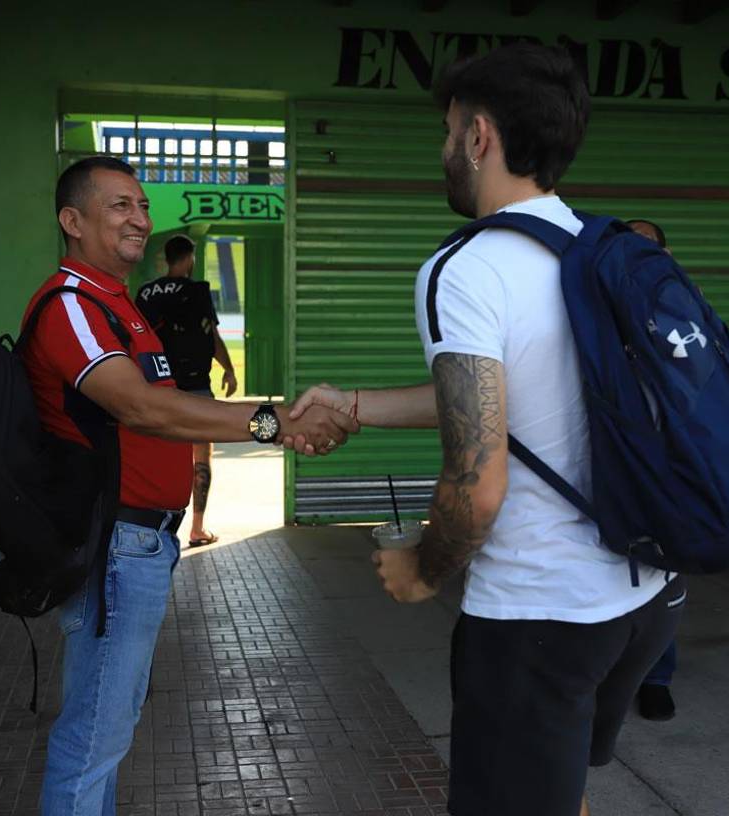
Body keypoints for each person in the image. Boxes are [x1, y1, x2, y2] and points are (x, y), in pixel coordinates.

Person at [288, 44, 684, 816]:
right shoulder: (598, 251)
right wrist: (354, 403)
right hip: (643, 600)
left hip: (540, 618)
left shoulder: (468, 267)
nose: (442, 151)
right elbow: (506, 396)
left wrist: (423, 571)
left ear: (478, 137)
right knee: (557, 789)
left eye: (446, 132)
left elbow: (477, 481)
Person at [24, 155, 358, 815]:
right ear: (72, 220)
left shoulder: (121, 305)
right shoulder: (74, 305)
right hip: (114, 546)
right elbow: (143, 408)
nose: (139, 219)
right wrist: (277, 423)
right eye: (119, 205)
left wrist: (273, 423)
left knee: (107, 731)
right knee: (94, 736)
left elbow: (167, 420)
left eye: (143, 206)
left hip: (141, 544)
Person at [136, 235, 236, 547]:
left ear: (167, 258)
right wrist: (229, 370)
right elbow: (212, 335)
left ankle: (156, 527)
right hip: (195, 389)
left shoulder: (146, 293)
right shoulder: (197, 291)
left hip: (158, 390)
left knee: (155, 460)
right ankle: (197, 528)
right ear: (189, 258)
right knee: (201, 458)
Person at [624, 217, 680, 722]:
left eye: (645, 246)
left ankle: (657, 677)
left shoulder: (681, 304)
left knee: (663, 572)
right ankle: (616, 673)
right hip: (617, 457)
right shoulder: (601, 298)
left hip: (665, 461)